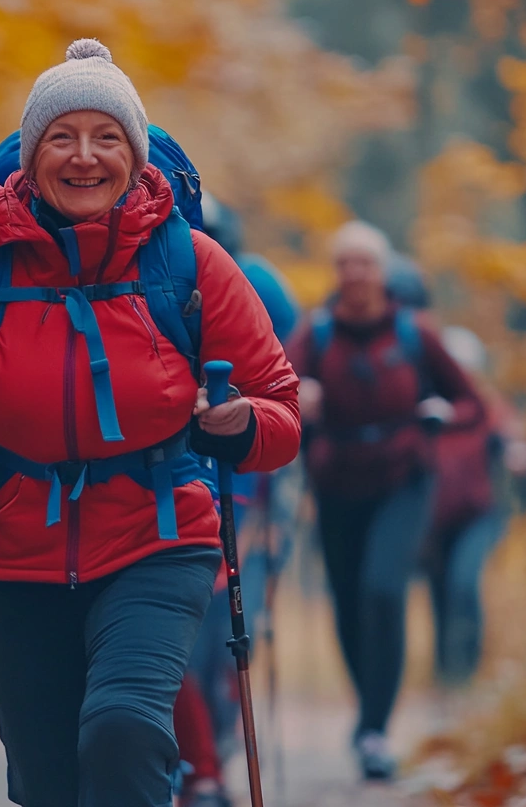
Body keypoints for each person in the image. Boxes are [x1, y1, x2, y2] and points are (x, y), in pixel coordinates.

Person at [0, 39, 301, 807]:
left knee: (123, 731)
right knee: (48, 781)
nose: (85, 158)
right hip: (7, 551)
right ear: (29, 159)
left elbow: (281, 412)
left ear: (135, 153)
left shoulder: (191, 263)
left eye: (107, 139)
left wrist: (237, 423)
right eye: (62, 138)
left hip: (157, 537)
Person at [285, 221, 483, 782]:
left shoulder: (414, 332)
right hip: (337, 483)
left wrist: (442, 416)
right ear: (336, 271)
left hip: (403, 480)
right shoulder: (317, 333)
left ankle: (374, 728)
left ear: (382, 270)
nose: (354, 273)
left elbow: (472, 403)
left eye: (364, 263)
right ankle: (368, 713)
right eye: (344, 263)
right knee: (347, 604)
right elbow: (275, 382)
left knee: (382, 589)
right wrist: (302, 393)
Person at [175, 199, 303, 807]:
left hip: (246, 488)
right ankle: (198, 754)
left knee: (234, 620)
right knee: (193, 631)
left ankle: (215, 737)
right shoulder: (150, 277)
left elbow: (286, 371)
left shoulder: (260, 285)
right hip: (193, 483)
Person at [423, 326, 526, 686]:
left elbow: (511, 441)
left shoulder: (487, 408)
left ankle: (467, 670)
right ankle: (446, 675)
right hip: (434, 520)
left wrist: (516, 451)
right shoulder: (431, 408)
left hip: (479, 516)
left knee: (464, 582)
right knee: (439, 593)